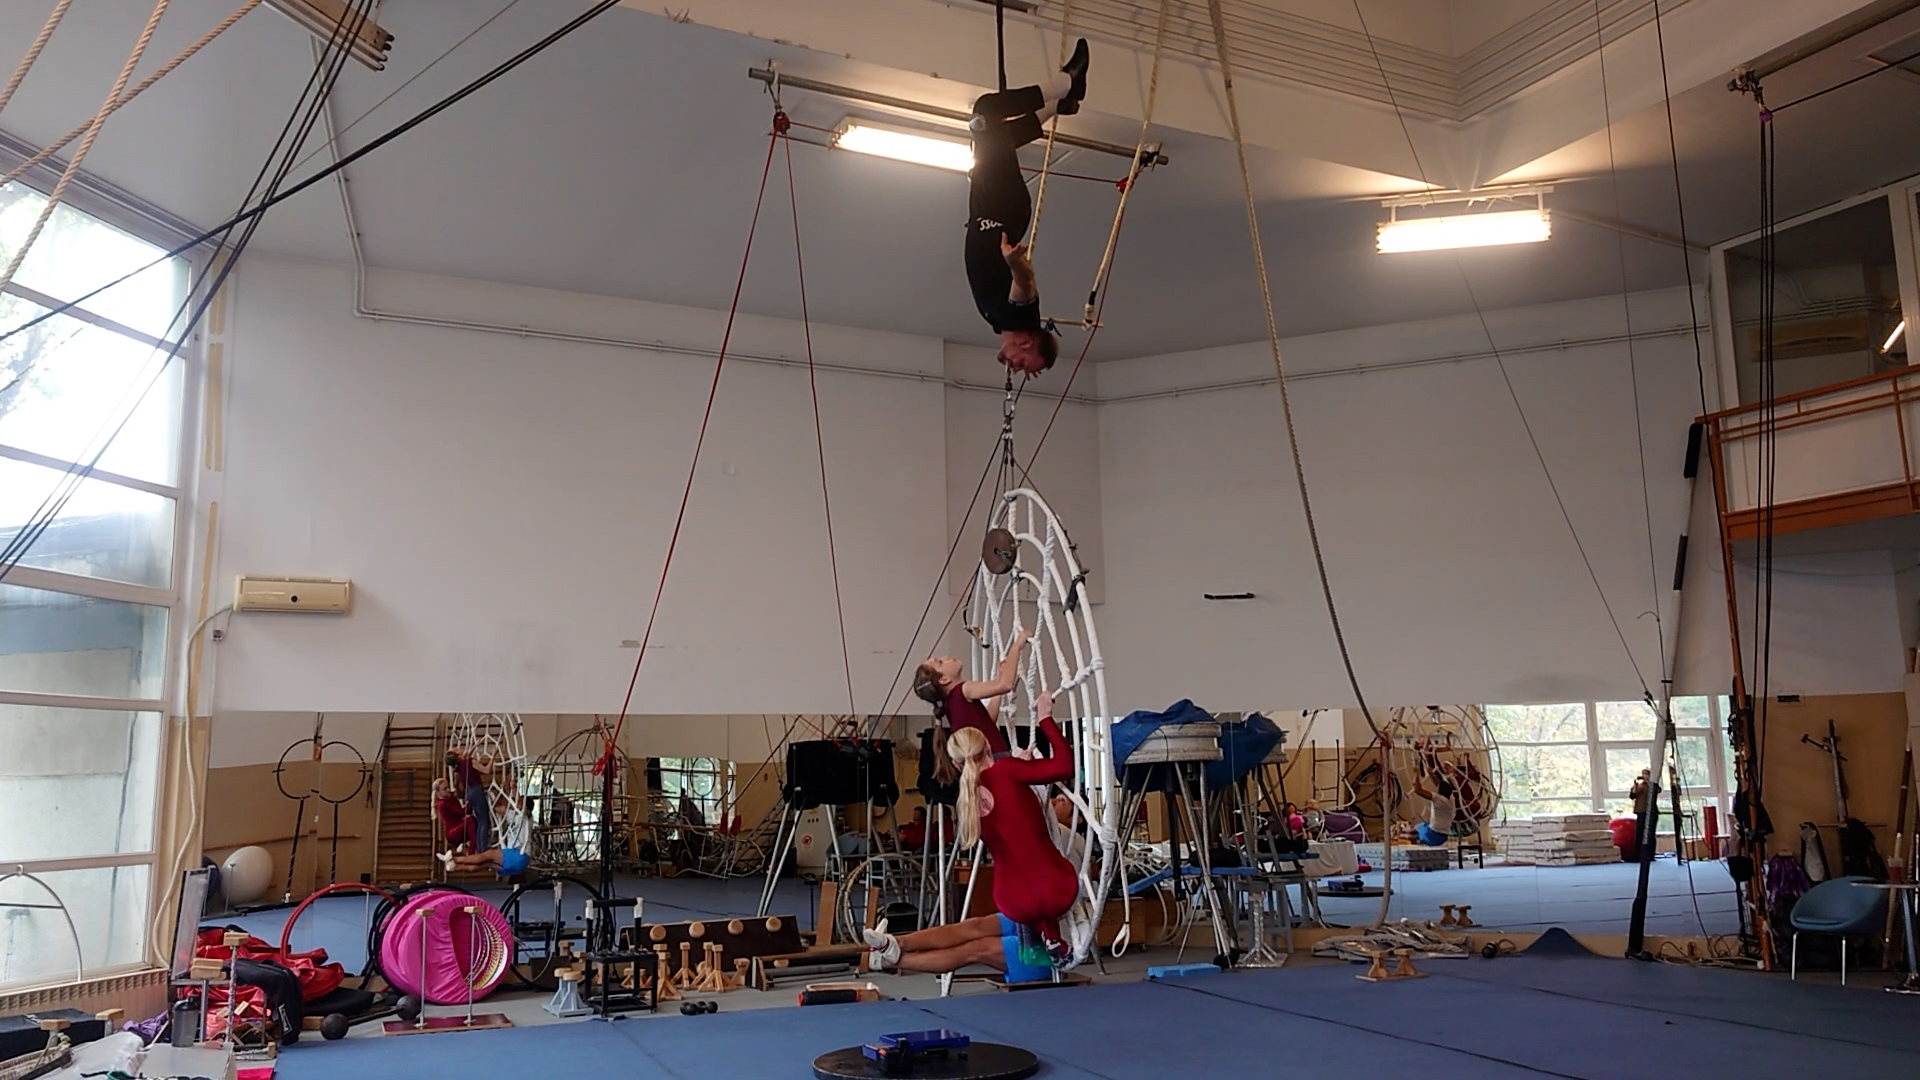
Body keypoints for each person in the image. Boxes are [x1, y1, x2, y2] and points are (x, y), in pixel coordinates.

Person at [866, 692, 1079, 973]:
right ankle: (892, 952)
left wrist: (1023, 769)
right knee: (974, 944)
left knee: (973, 931)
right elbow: (1063, 767)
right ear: (989, 746)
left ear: (956, 765)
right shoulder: (1007, 771)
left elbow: (1007, 811)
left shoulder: (967, 800)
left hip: (1014, 898)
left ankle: (894, 947)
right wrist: (1045, 719)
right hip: (1053, 889)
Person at [965, 41, 1091, 377]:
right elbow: (1026, 283)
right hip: (1000, 206)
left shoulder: (998, 321)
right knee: (985, 111)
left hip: (988, 207)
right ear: (1027, 343)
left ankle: (1058, 106)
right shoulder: (1018, 317)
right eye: (1024, 365)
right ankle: (1066, 83)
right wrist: (1014, 264)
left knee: (994, 135)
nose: (1015, 368)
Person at [913, 628, 1032, 781]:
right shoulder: (964, 690)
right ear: (943, 680)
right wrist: (1017, 646)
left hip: (988, 766)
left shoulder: (952, 704)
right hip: (996, 761)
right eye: (941, 662)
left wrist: (999, 681)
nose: (947, 657)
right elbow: (1006, 684)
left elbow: (987, 721)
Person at [440, 794, 530, 879]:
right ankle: (456, 867)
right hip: (520, 862)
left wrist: (513, 790)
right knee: (486, 863)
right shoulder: (517, 816)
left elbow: (501, 808)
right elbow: (498, 808)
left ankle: (454, 859)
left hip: (518, 856)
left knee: (485, 856)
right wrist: (505, 791)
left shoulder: (524, 816)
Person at [446, 748, 494, 853]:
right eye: (457, 749)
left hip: (470, 793)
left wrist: (476, 745)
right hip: (477, 791)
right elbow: (487, 770)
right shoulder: (469, 762)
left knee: (480, 821)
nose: (460, 749)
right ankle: (482, 850)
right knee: (483, 822)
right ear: (458, 755)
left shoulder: (458, 767)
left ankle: (480, 849)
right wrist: (493, 755)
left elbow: (466, 755)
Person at [1412, 774, 1456, 847]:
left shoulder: (1437, 798)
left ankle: (1399, 833)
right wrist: (1431, 774)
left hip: (1432, 834)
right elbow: (1439, 784)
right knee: (1419, 831)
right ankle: (1402, 833)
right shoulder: (1451, 799)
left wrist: (1416, 773)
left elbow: (1418, 790)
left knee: (1415, 828)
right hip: (1443, 837)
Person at [432, 778, 474, 853]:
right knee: (471, 821)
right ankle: (472, 849)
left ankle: (474, 847)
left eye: (448, 787)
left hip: (458, 826)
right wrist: (472, 800)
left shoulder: (449, 798)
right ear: (438, 792)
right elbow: (462, 812)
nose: (448, 790)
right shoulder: (443, 803)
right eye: (445, 789)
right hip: (452, 833)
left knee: (472, 825)